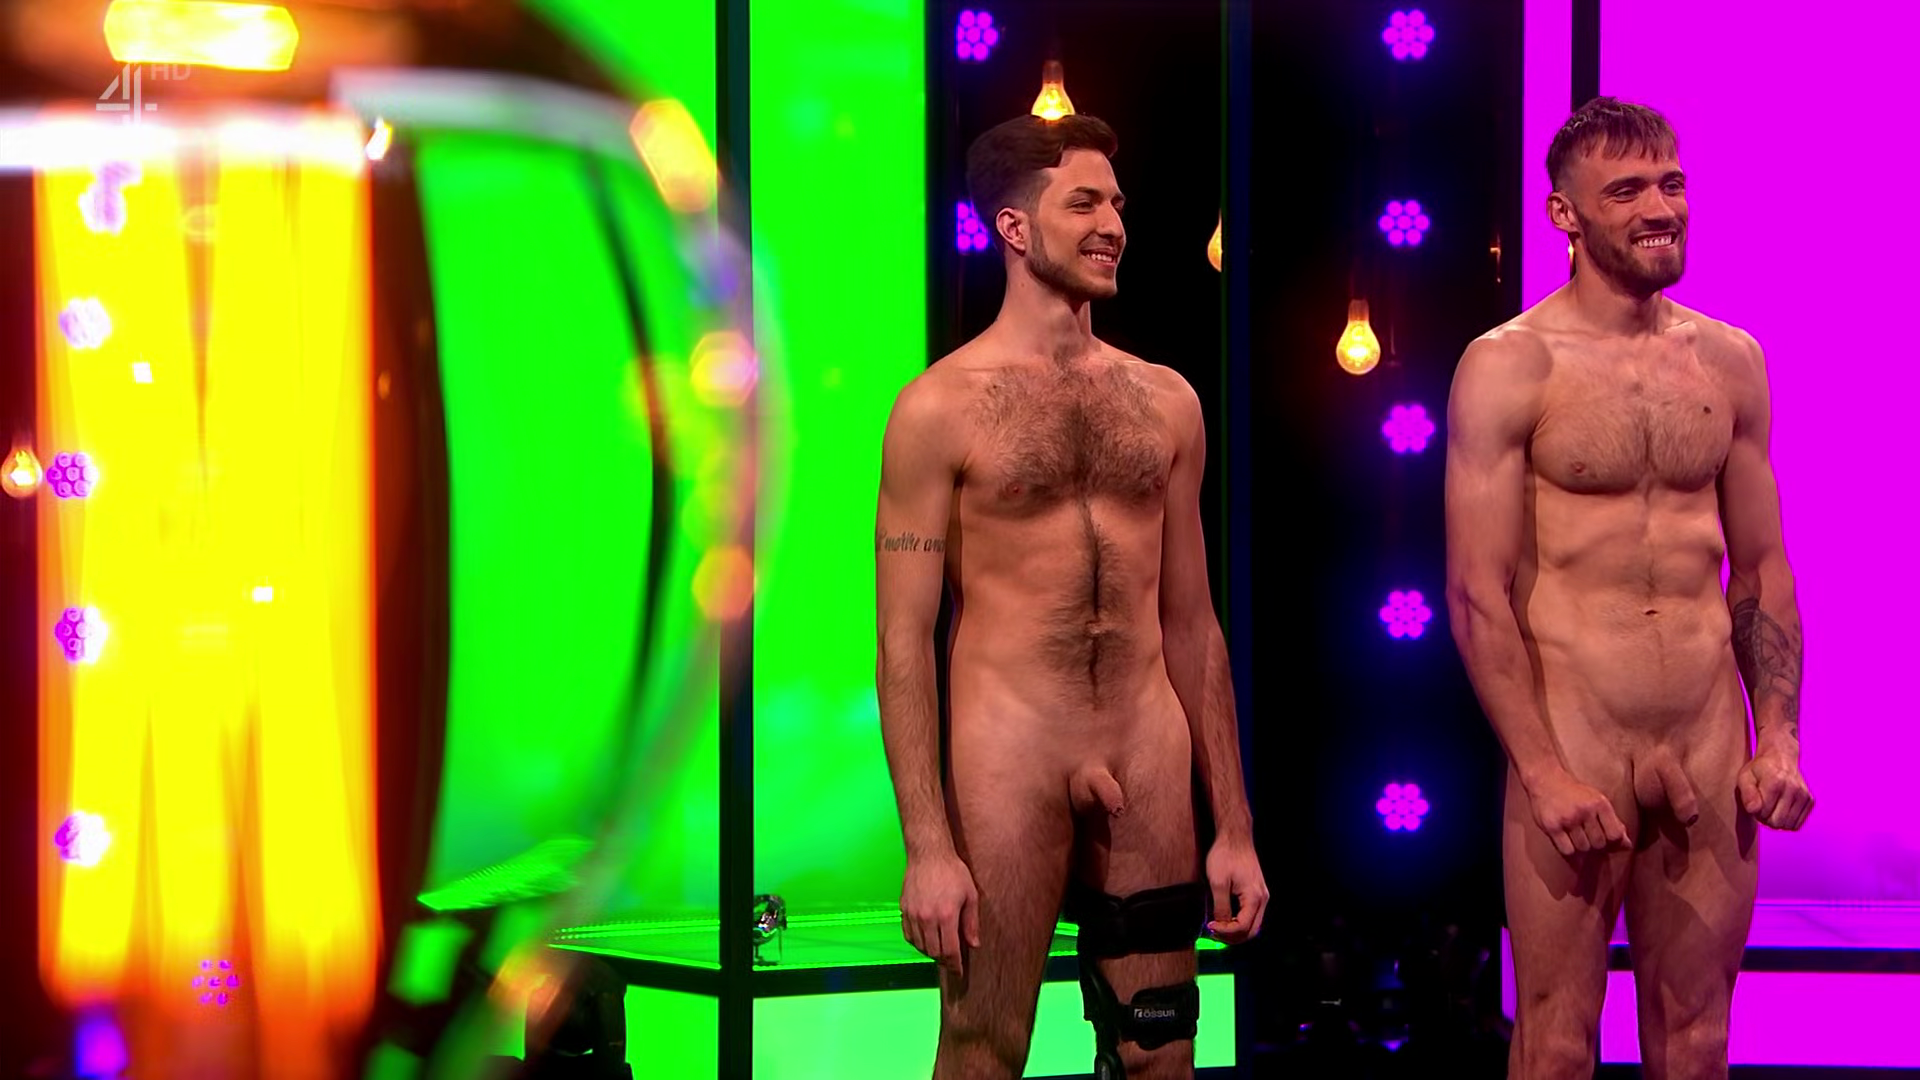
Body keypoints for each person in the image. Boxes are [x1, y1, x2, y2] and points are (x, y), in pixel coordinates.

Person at [873, 113, 1268, 1080]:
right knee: (984, 1048)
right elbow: (902, 640)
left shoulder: (1168, 400)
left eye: (1118, 205)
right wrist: (926, 845)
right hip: (1009, 749)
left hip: (1145, 745)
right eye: (1084, 203)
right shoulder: (938, 407)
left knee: (1162, 1049)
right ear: (1013, 228)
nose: (1114, 226)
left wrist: (1235, 826)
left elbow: (1192, 621)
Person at [1445, 96, 1814, 1079]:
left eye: (1671, 183)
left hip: (1706, 733)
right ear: (1564, 215)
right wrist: (1540, 770)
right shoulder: (1508, 365)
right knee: (1557, 1040)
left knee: (1699, 1039)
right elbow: (1477, 593)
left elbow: (1762, 568)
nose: (1661, 208)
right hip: (1575, 732)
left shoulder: (1731, 360)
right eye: (1627, 191)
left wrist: (1778, 734)